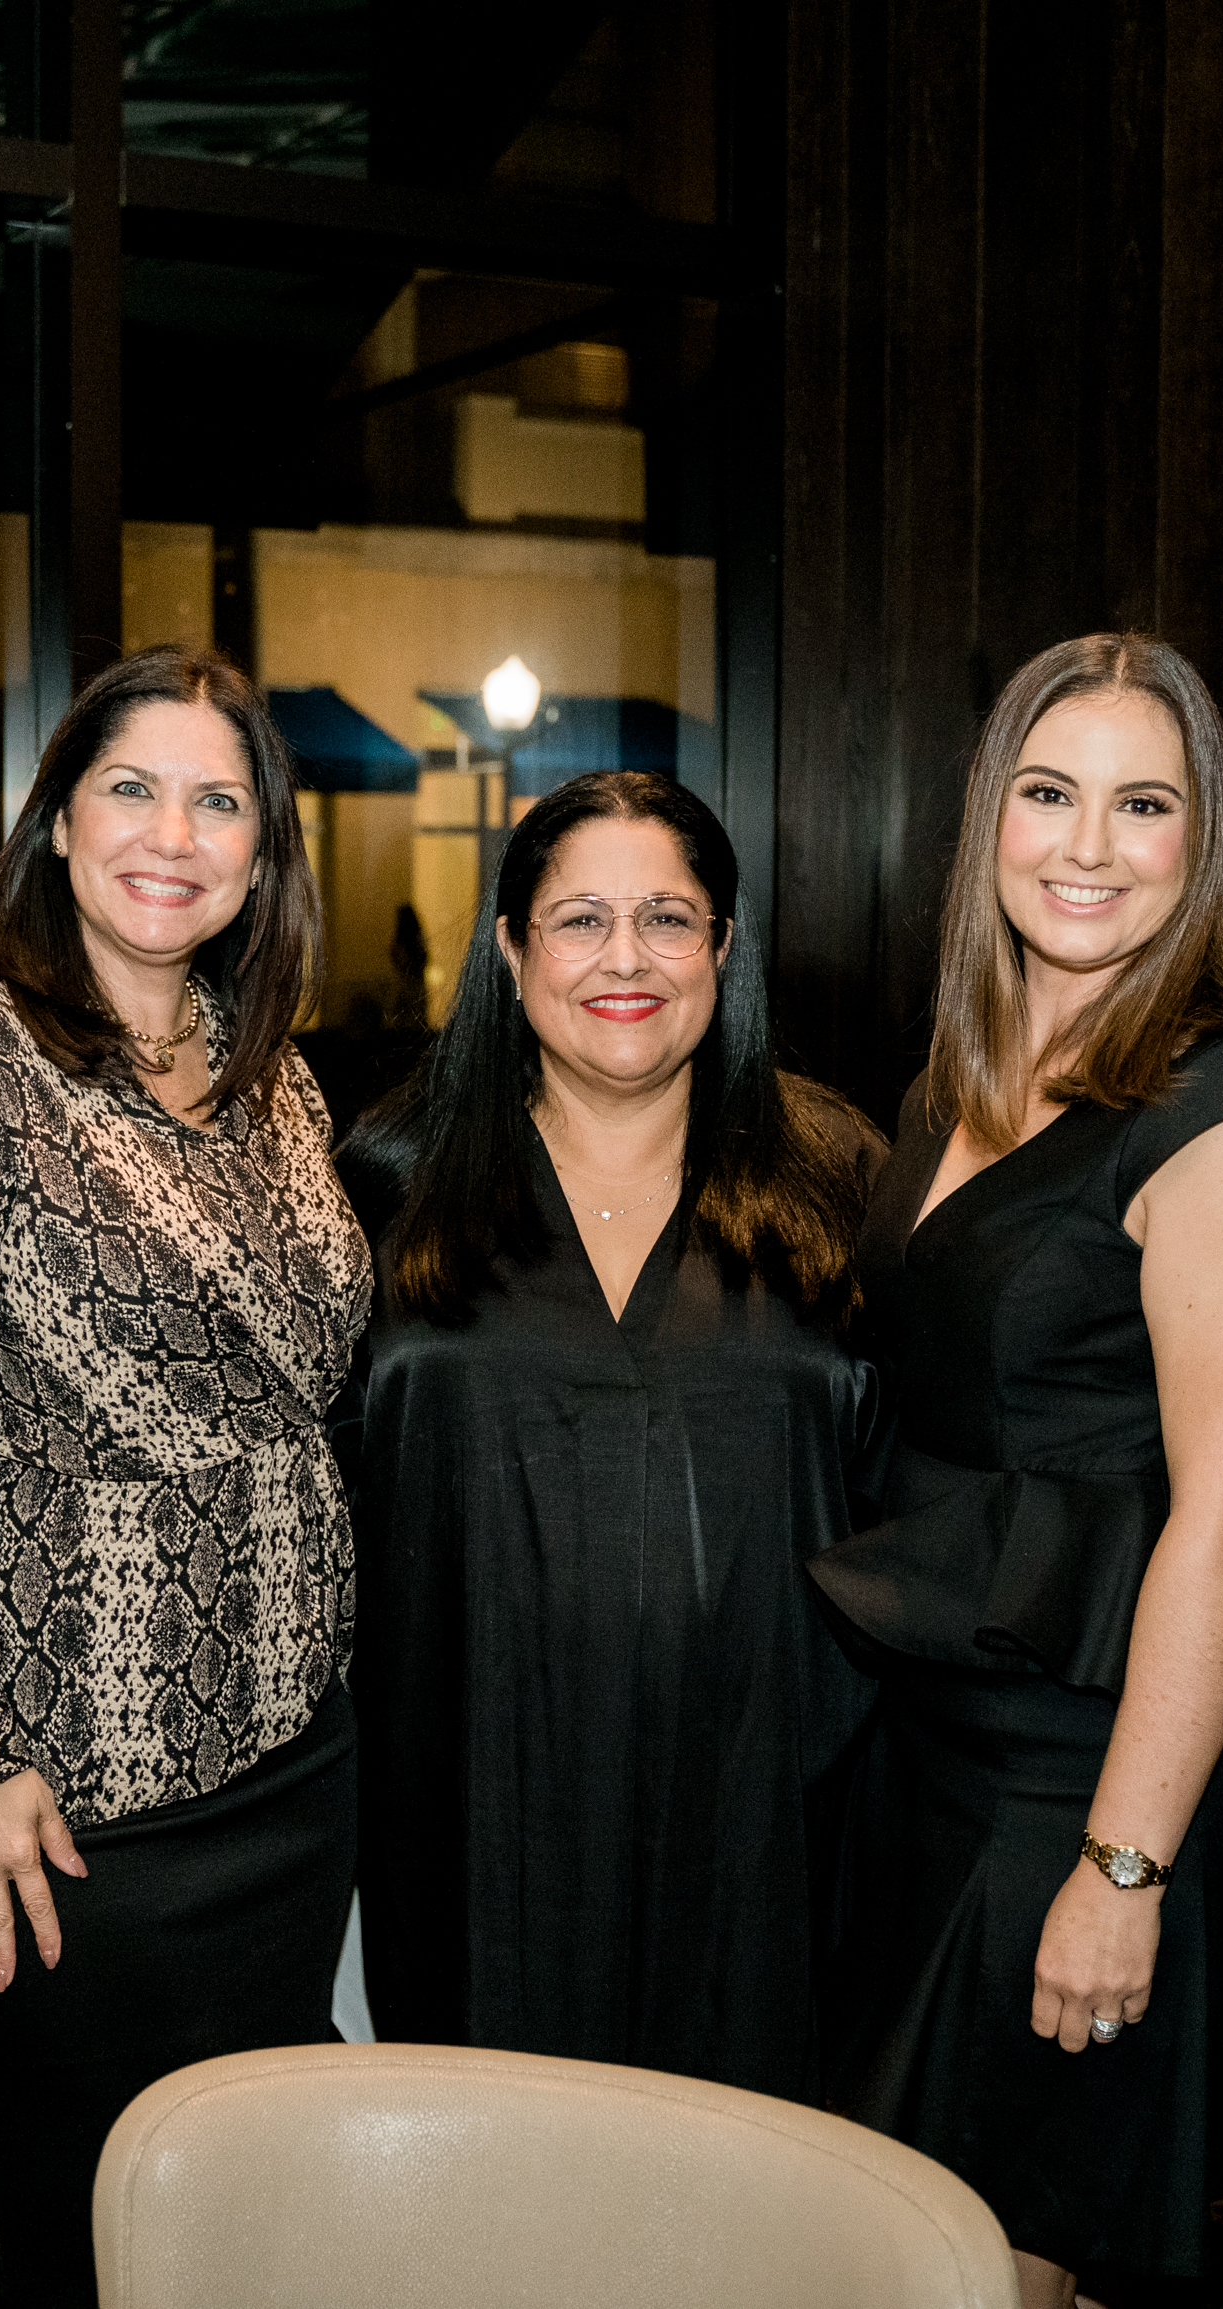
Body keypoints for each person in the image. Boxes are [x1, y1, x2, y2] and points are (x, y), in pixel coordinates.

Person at [0, 643, 368, 2309]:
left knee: (233, 2236)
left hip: (278, 1768)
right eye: (130, 786)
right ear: (55, 819)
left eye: (218, 801)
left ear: (263, 853)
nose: (172, 834)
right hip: (44, 1800)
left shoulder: (270, 1071)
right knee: (84, 2240)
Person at [802, 635, 1223, 2305]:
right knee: (913, 2230)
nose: (1084, 844)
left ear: (1200, 844)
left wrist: (1121, 1866)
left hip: (1076, 1772)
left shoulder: (1219, 1102)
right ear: (987, 821)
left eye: (1139, 803)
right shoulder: (960, 1071)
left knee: (984, 2255)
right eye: (1046, 792)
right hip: (933, 1732)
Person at [339, 771, 881, 2101]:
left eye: (668, 918)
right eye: (580, 918)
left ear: (725, 948)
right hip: (470, 1828)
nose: (626, 958)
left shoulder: (846, 1185)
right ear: (512, 949)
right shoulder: (383, 1184)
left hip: (775, 1836)